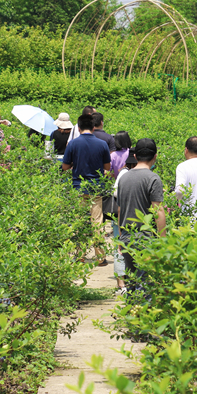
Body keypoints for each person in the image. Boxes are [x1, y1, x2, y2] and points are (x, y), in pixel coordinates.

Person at [62, 113, 112, 265]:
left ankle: (79, 255)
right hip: (96, 188)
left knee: (80, 222)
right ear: (93, 127)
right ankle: (101, 257)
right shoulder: (102, 144)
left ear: (78, 127)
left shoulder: (73, 144)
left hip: (78, 187)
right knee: (97, 222)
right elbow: (107, 168)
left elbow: (65, 166)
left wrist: (74, 164)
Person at [116, 138, 165, 284]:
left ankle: (131, 306)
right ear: (155, 156)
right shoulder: (153, 178)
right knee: (147, 284)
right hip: (146, 239)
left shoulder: (123, 178)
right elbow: (159, 211)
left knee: (132, 282)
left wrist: (120, 237)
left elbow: (120, 210)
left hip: (127, 237)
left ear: (135, 156)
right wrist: (163, 241)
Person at [109, 151, 136, 292]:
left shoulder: (124, 173)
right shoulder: (125, 174)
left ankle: (124, 283)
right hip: (123, 216)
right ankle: (121, 284)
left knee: (122, 249)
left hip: (124, 216)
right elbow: (116, 194)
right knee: (120, 249)